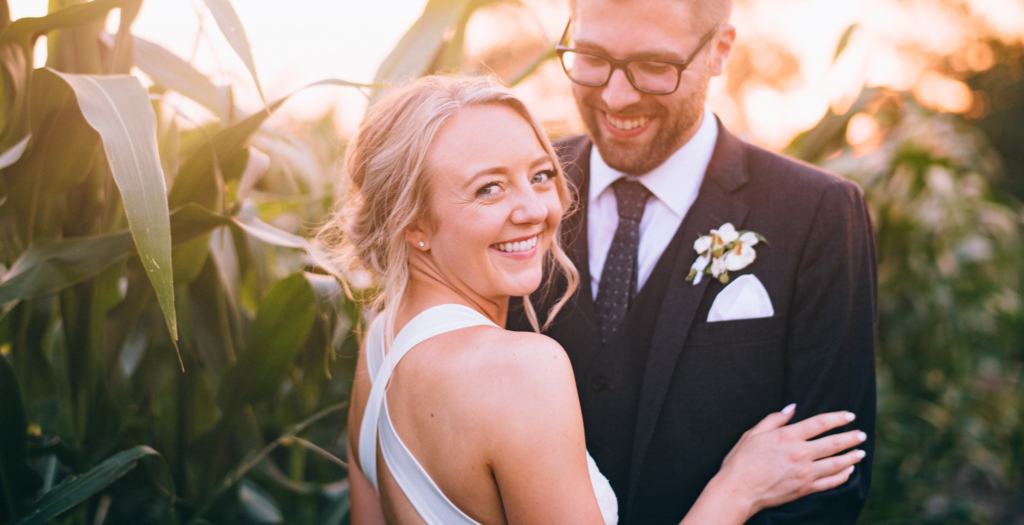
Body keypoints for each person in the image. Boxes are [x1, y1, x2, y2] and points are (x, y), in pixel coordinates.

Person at [328, 75, 867, 525]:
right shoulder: (521, 369)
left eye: (540, 175)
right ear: (413, 222)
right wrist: (736, 490)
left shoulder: (380, 347)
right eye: (488, 188)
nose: (535, 210)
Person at [505, 0, 878, 524]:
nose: (615, 96)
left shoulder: (818, 214)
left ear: (720, 50)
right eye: (591, 57)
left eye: (654, 66)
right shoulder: (516, 191)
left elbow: (827, 483)